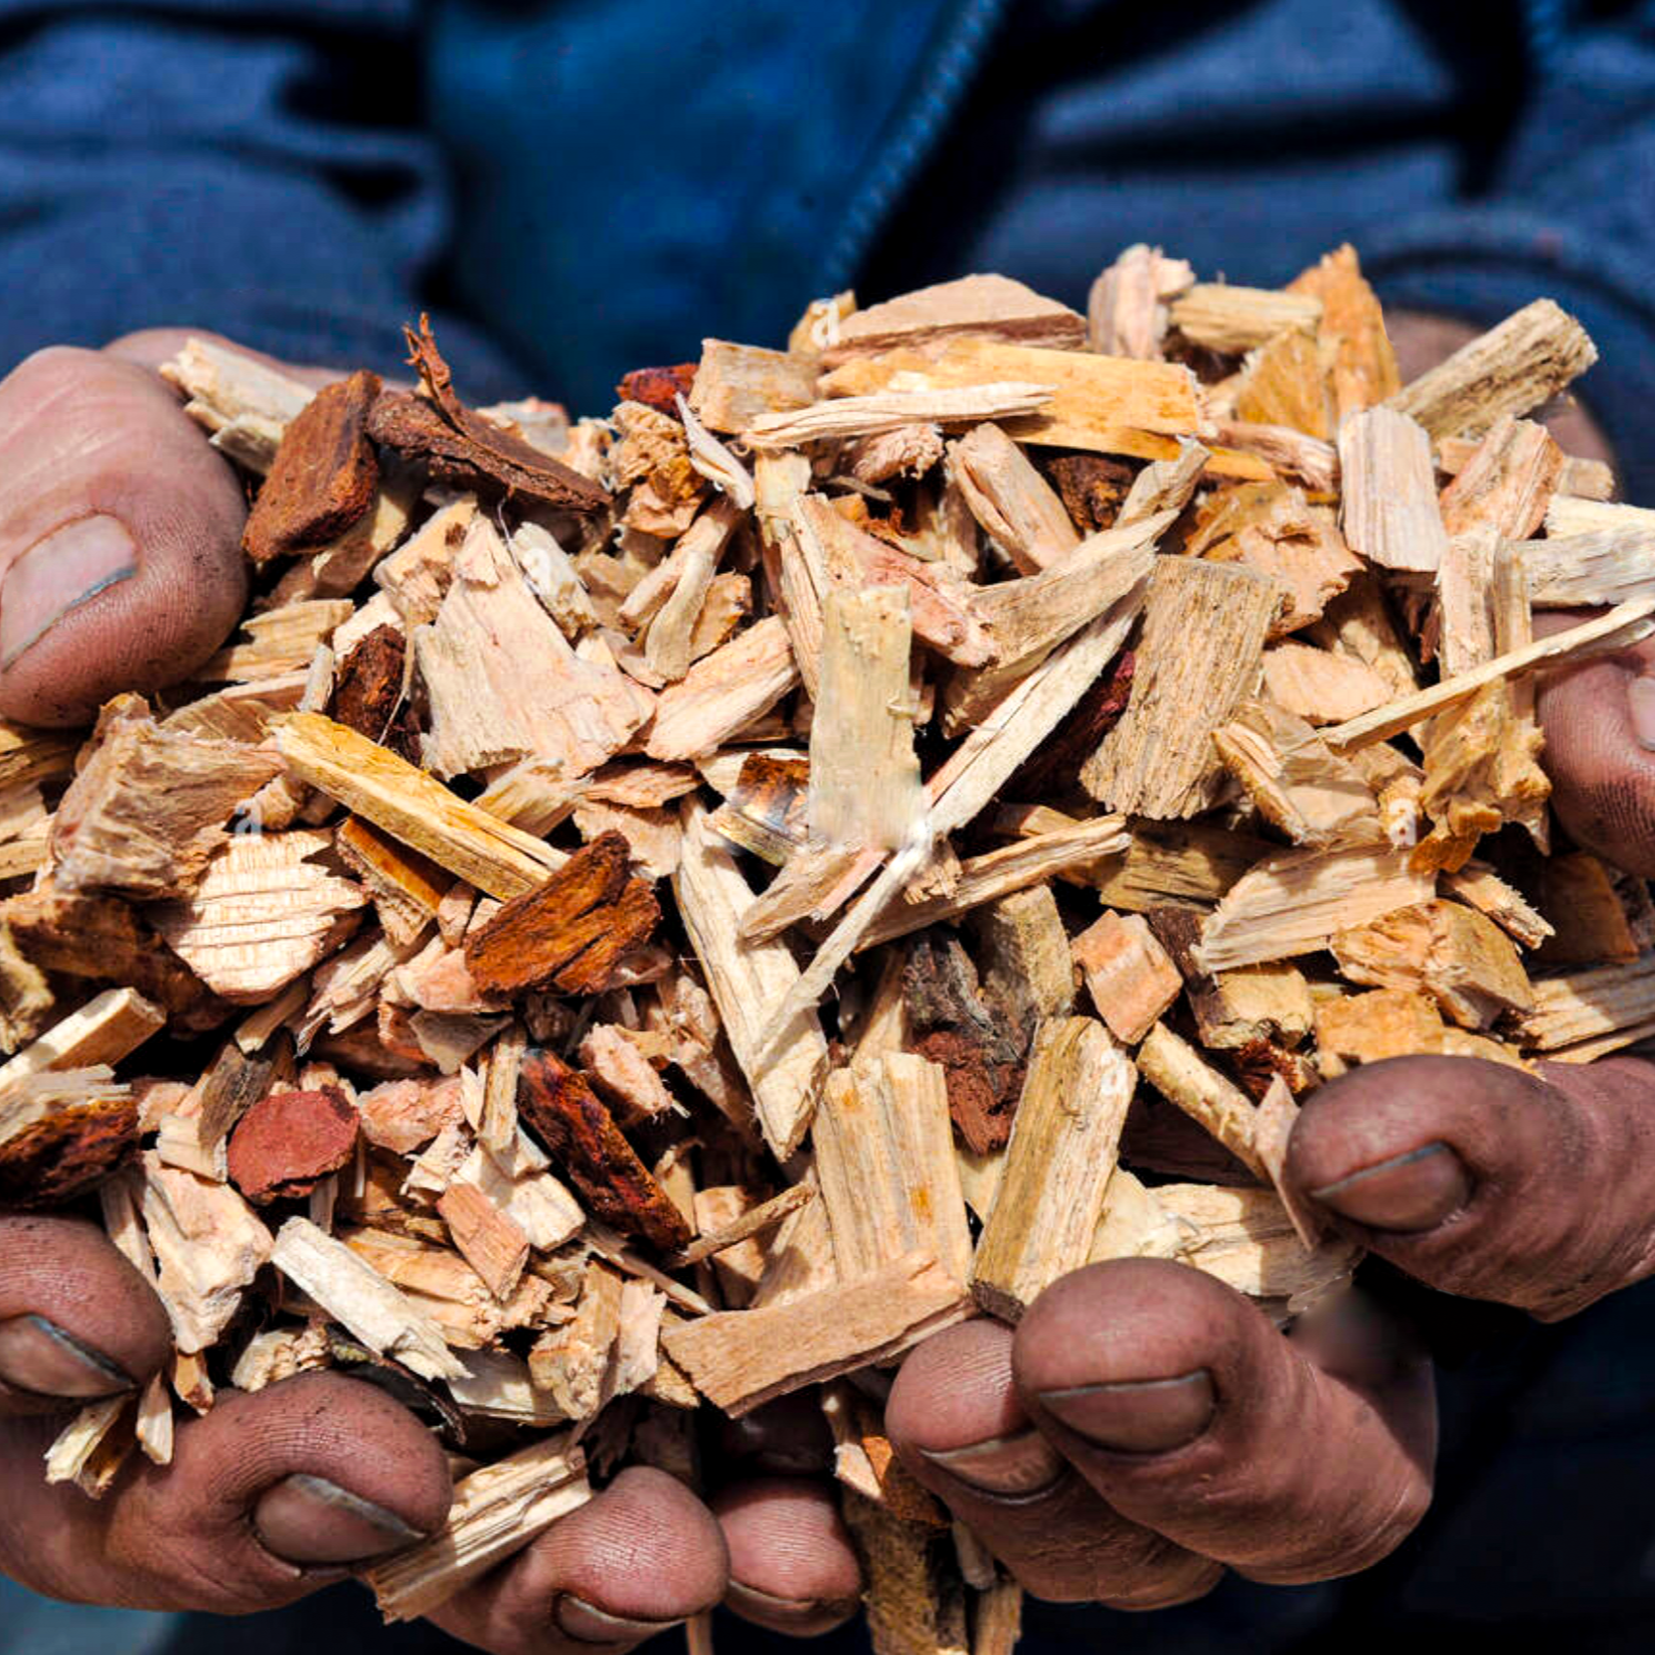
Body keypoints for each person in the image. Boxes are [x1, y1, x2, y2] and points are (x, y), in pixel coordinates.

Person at [3, 1, 1655, 1651]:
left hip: (1526, 1421)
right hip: (397, 1539)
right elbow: (153, 54)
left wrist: (1581, 388)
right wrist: (223, 363)